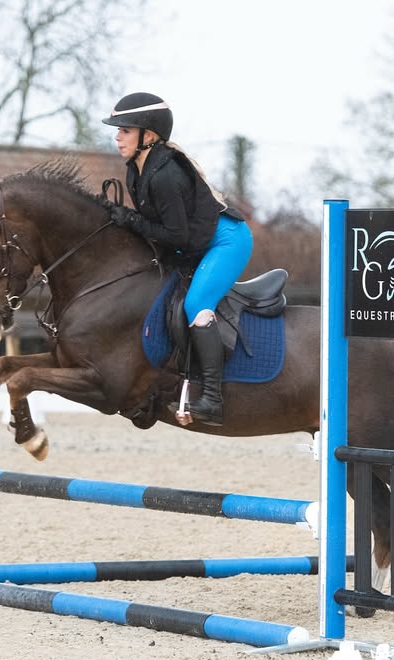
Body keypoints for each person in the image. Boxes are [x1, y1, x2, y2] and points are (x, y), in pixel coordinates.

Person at [102, 92, 253, 426]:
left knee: (196, 302)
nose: (117, 136)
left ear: (149, 135)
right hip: (197, 242)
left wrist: (130, 220)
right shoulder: (136, 171)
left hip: (227, 241)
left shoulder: (165, 175)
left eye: (125, 130)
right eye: (118, 130)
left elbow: (176, 236)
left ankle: (212, 398)